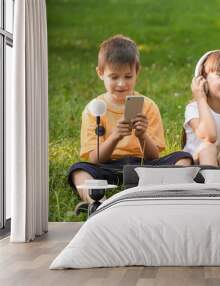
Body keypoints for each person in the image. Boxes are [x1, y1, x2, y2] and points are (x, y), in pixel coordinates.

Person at [68, 34, 193, 206]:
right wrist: (115, 137)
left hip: (143, 167)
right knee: (79, 170)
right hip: (108, 167)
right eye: (114, 77)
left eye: (128, 77)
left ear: (137, 73)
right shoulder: (94, 109)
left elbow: (153, 156)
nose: (121, 84)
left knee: (183, 158)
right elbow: (95, 159)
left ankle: (170, 194)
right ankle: (97, 204)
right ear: (100, 73)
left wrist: (142, 136)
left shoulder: (148, 106)